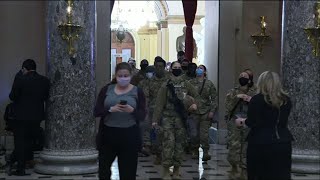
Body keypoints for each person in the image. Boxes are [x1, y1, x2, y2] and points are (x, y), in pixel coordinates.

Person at [235, 71, 293, 180]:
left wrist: (242, 121)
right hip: (283, 142)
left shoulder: (257, 100)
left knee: (258, 175)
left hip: (260, 142)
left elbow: (252, 122)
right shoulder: (286, 100)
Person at [94, 62, 146, 180]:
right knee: (104, 171)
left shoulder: (137, 91)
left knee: (128, 172)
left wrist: (132, 110)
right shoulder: (106, 90)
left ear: (131, 76)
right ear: (115, 76)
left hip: (129, 135)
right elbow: (97, 111)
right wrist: (110, 109)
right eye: (120, 76)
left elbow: (142, 115)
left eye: (126, 76)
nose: (123, 78)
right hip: (108, 135)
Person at [152, 61, 200, 180]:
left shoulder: (186, 84)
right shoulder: (166, 84)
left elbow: (197, 97)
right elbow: (159, 104)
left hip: (181, 119)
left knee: (180, 144)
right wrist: (155, 120)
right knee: (168, 143)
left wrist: (194, 105)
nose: (177, 69)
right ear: (171, 69)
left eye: (179, 67)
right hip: (168, 118)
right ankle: (166, 170)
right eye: (175, 67)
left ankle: (177, 169)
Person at [8, 59, 50, 176]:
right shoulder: (44, 81)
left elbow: (12, 96)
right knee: (30, 140)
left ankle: (20, 168)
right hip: (36, 117)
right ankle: (23, 160)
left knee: (20, 142)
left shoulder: (20, 79)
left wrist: (18, 76)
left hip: (20, 117)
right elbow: (46, 96)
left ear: (24, 69)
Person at [225, 70, 256, 180]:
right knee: (234, 146)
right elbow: (228, 107)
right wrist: (236, 98)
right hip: (235, 122)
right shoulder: (233, 92)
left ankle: (244, 170)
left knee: (247, 148)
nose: (242, 77)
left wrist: (250, 99)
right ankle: (234, 167)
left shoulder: (255, 92)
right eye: (240, 75)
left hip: (249, 123)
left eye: (245, 76)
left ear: (249, 80)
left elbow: (259, 106)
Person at [139, 59, 168, 165]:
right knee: (154, 133)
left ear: (164, 67)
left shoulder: (168, 81)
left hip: (166, 112)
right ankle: (157, 153)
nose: (159, 68)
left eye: (161, 66)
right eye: (157, 66)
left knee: (166, 133)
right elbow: (146, 96)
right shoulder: (149, 81)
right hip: (153, 111)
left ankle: (165, 154)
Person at [188, 65, 217, 161]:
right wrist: (189, 105)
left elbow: (214, 98)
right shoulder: (190, 83)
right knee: (194, 134)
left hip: (205, 112)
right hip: (194, 112)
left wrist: (212, 111)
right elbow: (185, 96)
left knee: (204, 134)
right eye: (198, 68)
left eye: (201, 68)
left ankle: (205, 152)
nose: (199, 70)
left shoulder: (209, 84)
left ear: (205, 72)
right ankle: (194, 150)